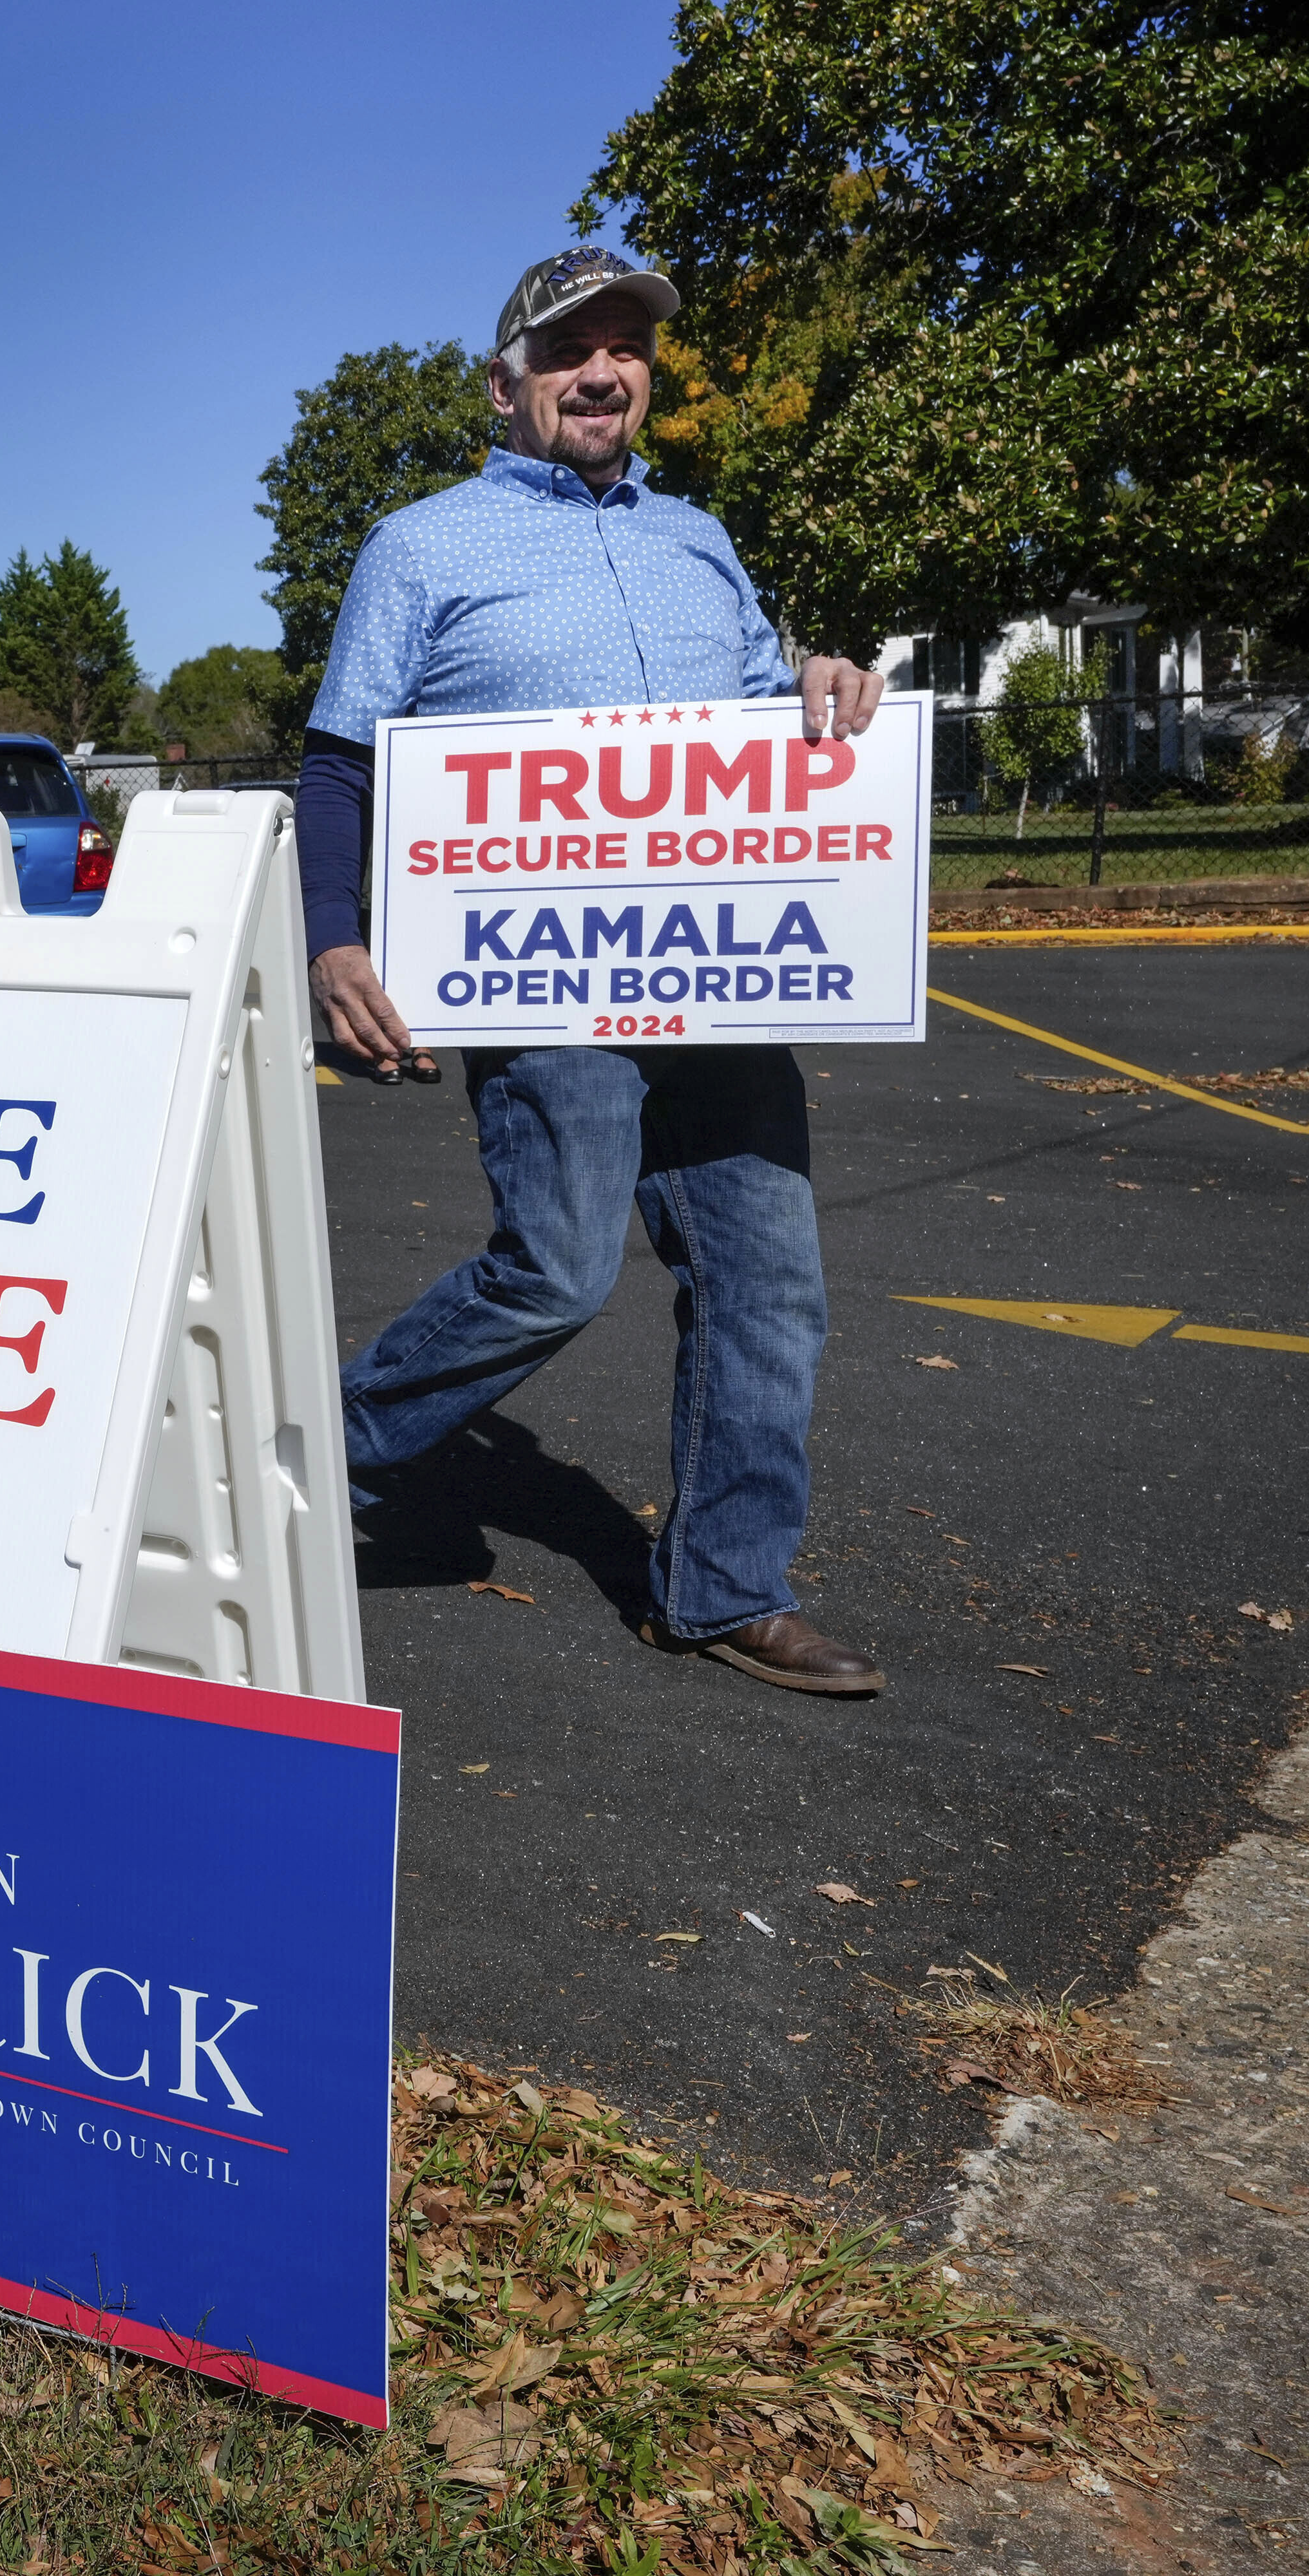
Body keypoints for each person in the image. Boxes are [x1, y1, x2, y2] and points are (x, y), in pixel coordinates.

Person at [299, 243, 888, 1698]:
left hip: (724, 968)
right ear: (508, 385)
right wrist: (334, 937)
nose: (602, 370)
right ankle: (299, 1460)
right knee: (554, 1272)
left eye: (625, 348)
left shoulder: (701, 540)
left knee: (769, 1282)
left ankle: (728, 1589)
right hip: (542, 977)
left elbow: (761, 724)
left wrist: (817, 678)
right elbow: (338, 759)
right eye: (570, 351)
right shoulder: (423, 545)